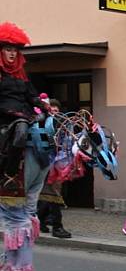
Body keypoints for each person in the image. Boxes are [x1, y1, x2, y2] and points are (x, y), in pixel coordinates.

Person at [0, 21, 51, 271]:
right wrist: (15, 113)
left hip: (22, 120)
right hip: (5, 123)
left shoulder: (21, 77)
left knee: (46, 136)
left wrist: (45, 110)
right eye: (7, 50)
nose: (10, 55)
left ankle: (47, 180)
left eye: (14, 51)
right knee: (21, 129)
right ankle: (8, 174)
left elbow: (33, 98)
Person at [37, 98, 71, 239]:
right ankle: (57, 227)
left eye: (57, 110)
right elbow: (41, 141)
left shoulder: (63, 124)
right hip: (46, 163)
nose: (55, 112)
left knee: (50, 194)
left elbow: (66, 141)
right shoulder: (41, 124)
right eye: (52, 110)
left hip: (58, 163)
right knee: (53, 194)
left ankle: (40, 221)